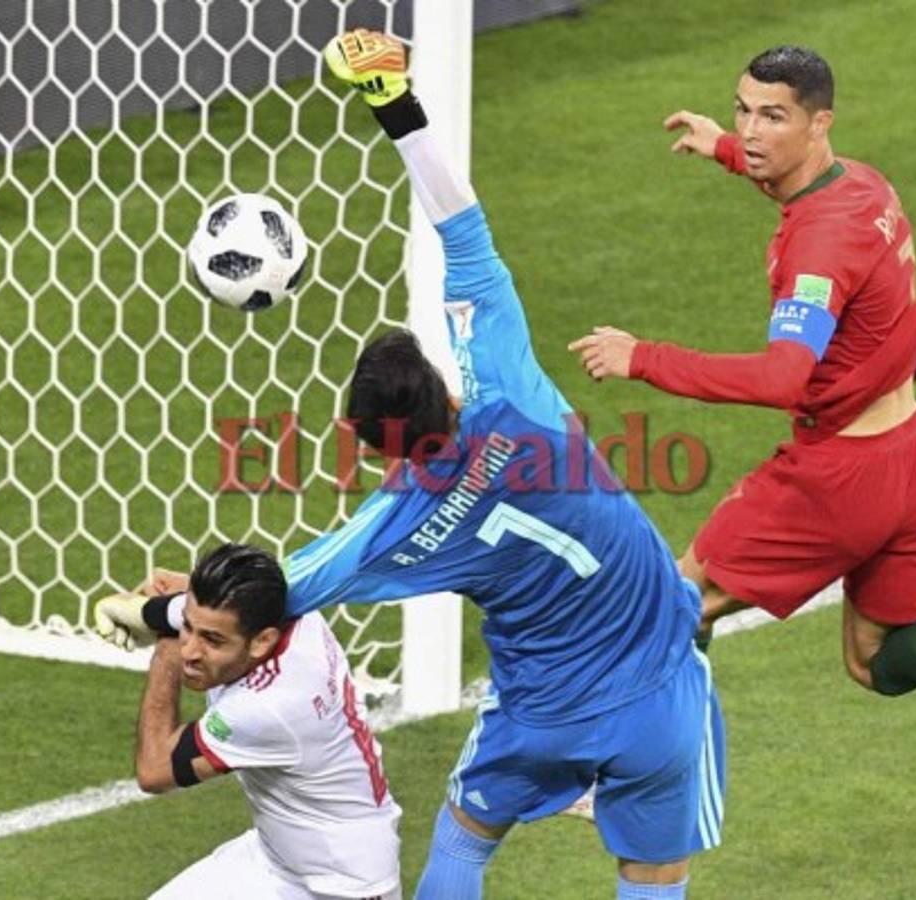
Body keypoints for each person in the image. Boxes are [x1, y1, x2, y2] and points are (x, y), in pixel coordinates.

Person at [101, 29, 727, 900]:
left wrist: (163, 611)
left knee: (466, 841)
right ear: (438, 384)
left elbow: (274, 597)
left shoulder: (400, 524)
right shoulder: (510, 387)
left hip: (539, 715)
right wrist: (391, 98)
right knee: (653, 869)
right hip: (661, 680)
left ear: (375, 448)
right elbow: (460, 225)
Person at [567, 46, 916, 709]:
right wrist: (721, 149)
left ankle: (638, 777)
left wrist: (643, 357)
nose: (748, 131)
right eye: (741, 111)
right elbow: (787, 176)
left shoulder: (819, 247)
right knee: (875, 660)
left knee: (676, 604)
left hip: (840, 478)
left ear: (818, 122)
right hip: (912, 458)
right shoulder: (864, 184)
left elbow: (782, 378)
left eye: (772, 117)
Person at [93, 543, 402, 900]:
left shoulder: (269, 706)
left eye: (211, 641)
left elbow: (155, 770)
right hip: (277, 864)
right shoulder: (290, 608)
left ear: (262, 642)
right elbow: (207, 611)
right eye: (188, 630)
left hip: (341, 888)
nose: (191, 651)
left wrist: (166, 648)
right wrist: (153, 609)